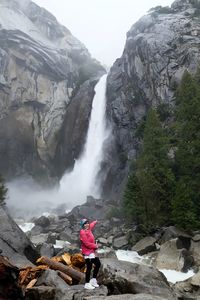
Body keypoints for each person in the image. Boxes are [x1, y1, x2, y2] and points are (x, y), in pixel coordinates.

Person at [79, 218, 101, 290]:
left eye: (87, 223)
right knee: (89, 267)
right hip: (87, 252)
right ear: (82, 225)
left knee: (98, 264)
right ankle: (87, 283)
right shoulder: (82, 232)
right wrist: (96, 246)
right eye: (85, 224)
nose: (87, 224)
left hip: (91, 251)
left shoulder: (89, 229)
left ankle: (93, 280)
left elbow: (92, 224)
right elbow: (86, 244)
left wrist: (96, 221)